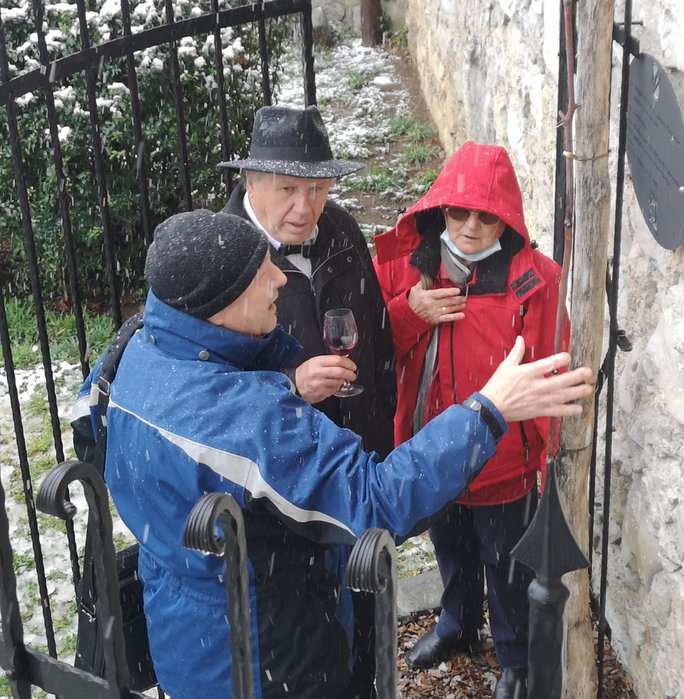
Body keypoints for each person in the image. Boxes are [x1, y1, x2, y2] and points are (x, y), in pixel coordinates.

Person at [70, 209, 592, 699]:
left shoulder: (135, 347)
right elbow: (374, 503)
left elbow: (94, 434)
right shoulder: (244, 420)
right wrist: (488, 412)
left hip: (184, 629)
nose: (279, 280)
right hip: (268, 658)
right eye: (261, 274)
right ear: (221, 305)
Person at [373, 141, 567, 699]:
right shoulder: (409, 267)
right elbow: (374, 345)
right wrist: (413, 310)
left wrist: (539, 447)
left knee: (507, 565)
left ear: (505, 217)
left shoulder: (535, 281)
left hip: (502, 459)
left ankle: (514, 658)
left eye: (487, 215)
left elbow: (552, 362)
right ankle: (457, 625)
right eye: (460, 211)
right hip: (434, 448)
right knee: (451, 549)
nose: (472, 226)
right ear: (441, 209)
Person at [218, 105, 395, 696]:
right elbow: (207, 393)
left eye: (317, 188)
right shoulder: (221, 260)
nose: (306, 206)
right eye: (289, 189)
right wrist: (291, 386)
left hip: (358, 465)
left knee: (370, 610)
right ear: (250, 183)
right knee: (310, 648)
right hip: (283, 496)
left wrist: (382, 440)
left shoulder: (341, 229)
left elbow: (377, 336)